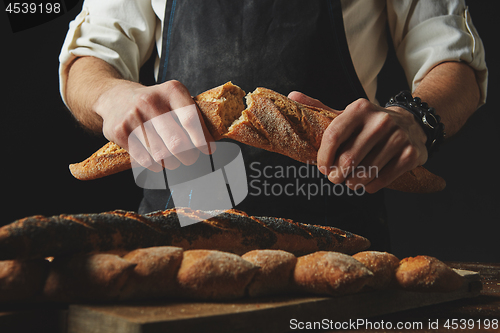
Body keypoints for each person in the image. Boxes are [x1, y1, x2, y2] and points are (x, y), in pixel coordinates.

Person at [59, 0, 487, 251]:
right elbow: (89, 58)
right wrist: (111, 95)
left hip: (337, 244)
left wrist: (413, 118)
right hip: (177, 238)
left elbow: (456, 62)